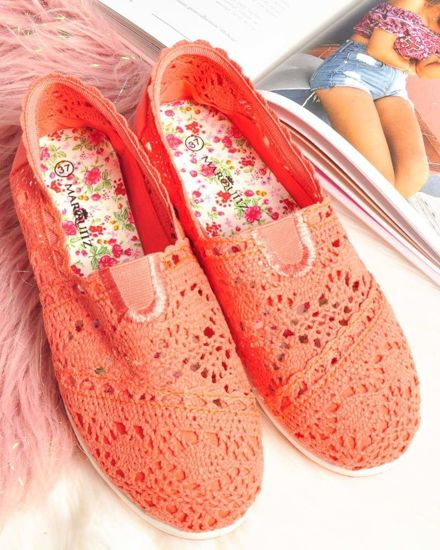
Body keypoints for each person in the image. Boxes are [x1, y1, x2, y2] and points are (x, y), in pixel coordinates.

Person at [309, 0, 440, 198]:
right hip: (353, 70)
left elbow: (425, 72)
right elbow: (378, 49)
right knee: (379, 179)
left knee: (413, 175)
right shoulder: (414, 2)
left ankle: (353, 210)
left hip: (393, 85)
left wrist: (414, 68)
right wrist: (410, 67)